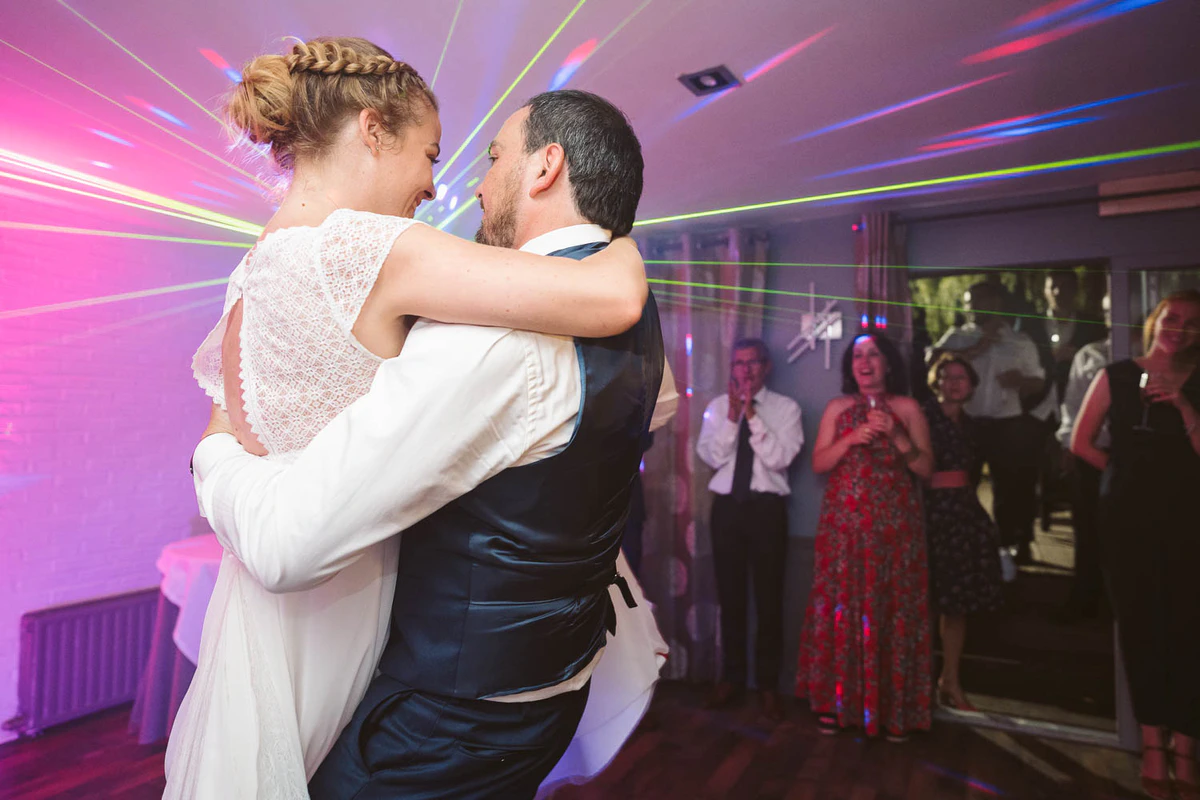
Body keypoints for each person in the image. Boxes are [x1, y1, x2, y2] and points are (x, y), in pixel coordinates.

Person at [170, 38, 671, 799]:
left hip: (275, 611)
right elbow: (613, 299)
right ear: (373, 130)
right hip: (342, 593)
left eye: (480, 158)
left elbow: (233, 421)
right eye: (432, 153)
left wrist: (210, 458)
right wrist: (622, 247)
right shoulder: (372, 248)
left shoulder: (253, 269)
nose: (440, 185)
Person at [1072, 289, 1200, 800]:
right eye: (1172, 318)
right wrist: (1122, 478)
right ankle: (1152, 745)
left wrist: (1184, 405)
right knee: (1141, 628)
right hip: (1129, 522)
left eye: (1192, 322)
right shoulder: (1117, 375)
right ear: (1154, 320)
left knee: (1188, 629)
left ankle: (1185, 747)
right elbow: (1080, 442)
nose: (1179, 329)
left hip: (1189, 519)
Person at [796, 332, 933, 742]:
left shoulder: (908, 408)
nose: (865, 362)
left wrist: (897, 435)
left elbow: (926, 469)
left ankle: (893, 711)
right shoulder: (837, 408)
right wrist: (851, 438)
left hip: (896, 534)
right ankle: (837, 704)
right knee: (842, 610)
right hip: (844, 534)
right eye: (857, 355)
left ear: (887, 363)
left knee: (892, 611)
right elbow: (819, 463)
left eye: (873, 354)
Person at [696, 339, 803, 723]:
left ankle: (768, 686)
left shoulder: (786, 409)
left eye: (752, 362)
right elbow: (712, 456)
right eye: (738, 363)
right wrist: (731, 417)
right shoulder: (716, 408)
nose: (745, 370)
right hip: (727, 509)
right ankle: (732, 679)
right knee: (731, 597)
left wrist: (752, 416)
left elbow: (779, 458)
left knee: (769, 599)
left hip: (766, 509)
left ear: (766, 366)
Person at [934, 282, 1045, 567]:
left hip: (1007, 424)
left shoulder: (1020, 340)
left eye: (977, 301)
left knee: (1009, 488)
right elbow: (934, 363)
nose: (971, 307)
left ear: (995, 303)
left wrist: (1021, 381)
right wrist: (978, 346)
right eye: (967, 302)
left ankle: (1009, 548)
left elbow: (1038, 380)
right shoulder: (956, 337)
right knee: (963, 484)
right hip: (966, 422)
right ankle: (964, 545)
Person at [921, 353, 1003, 712]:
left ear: (971, 385)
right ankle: (918, 681)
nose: (954, 383)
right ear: (936, 381)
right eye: (947, 376)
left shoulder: (973, 426)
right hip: (928, 513)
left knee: (957, 604)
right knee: (924, 601)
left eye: (961, 377)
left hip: (963, 514)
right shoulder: (922, 417)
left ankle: (950, 680)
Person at [1054, 292, 1111, 621]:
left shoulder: (1153, 357)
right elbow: (1072, 405)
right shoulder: (1090, 355)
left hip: (1140, 459)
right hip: (1092, 453)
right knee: (1087, 527)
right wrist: (1068, 445)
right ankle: (1085, 598)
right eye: (1107, 311)